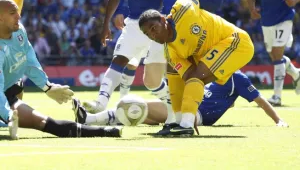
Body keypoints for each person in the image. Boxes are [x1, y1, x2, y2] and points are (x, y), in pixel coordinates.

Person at [138, 0, 254, 137]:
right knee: (174, 73)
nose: (152, 35)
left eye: (153, 28)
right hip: (214, 52)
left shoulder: (183, 9)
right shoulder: (171, 51)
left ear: (163, 19)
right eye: (147, 34)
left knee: (196, 77)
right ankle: (174, 121)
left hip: (236, 42)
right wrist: (190, 94)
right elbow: (186, 78)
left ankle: (185, 124)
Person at [83, 0, 174, 123]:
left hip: (159, 26)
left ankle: (175, 104)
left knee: (152, 80)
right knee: (119, 59)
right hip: (134, 24)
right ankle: (100, 102)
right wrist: (106, 23)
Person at [0, 0, 122, 139]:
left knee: (42, 121)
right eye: (12, 13)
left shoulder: (19, 32)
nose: (19, 16)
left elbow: (29, 60)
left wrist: (47, 87)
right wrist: (8, 115)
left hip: (6, 93)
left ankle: (104, 131)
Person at [72, 71, 288, 128]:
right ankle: (89, 121)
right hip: (186, 107)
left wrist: (278, 120)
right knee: (134, 116)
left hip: (195, 115)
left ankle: (89, 119)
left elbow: (260, 100)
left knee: (134, 106)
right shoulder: (212, 69)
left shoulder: (237, 77)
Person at [246, 0, 300, 106]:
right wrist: (252, 9)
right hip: (267, 19)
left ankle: (276, 97)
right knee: (274, 55)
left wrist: (295, 0)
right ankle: (297, 74)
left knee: (277, 53)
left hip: (285, 17)